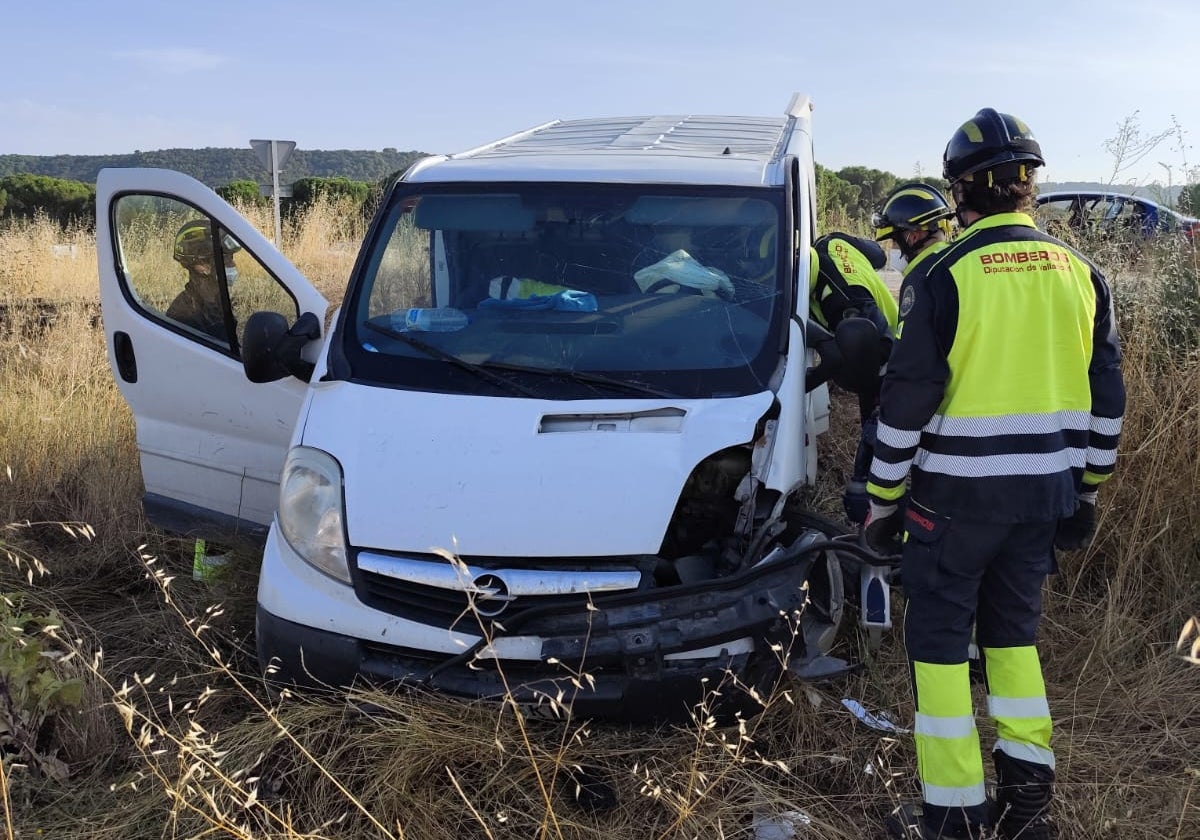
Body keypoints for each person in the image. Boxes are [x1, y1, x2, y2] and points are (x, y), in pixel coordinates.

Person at [864, 109, 1126, 839]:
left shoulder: (941, 276)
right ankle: (1028, 813)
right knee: (1014, 643)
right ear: (1028, 187)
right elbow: (1109, 400)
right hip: (1042, 499)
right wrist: (1087, 491)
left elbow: (903, 407)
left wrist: (882, 504)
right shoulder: (1084, 274)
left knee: (941, 654)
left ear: (959, 194)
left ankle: (953, 820)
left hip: (951, 504)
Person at [807, 231, 897, 525]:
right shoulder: (833, 242)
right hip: (880, 339)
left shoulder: (841, 299)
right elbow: (879, 256)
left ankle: (877, 513)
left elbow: (874, 351)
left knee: (881, 433)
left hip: (887, 350)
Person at [166, 218, 240, 342]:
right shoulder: (185, 317)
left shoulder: (215, 301)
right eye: (225, 259)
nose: (232, 264)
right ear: (201, 265)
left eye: (230, 258)